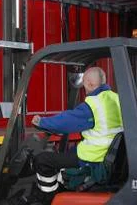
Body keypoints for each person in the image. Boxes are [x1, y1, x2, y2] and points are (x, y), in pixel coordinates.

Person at [22, 67, 123, 204]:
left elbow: (66, 121)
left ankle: (47, 198)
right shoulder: (117, 98)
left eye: (84, 84)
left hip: (94, 159)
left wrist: (42, 122)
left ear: (89, 84)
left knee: (42, 160)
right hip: (112, 157)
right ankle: (60, 188)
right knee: (65, 153)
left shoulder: (94, 104)